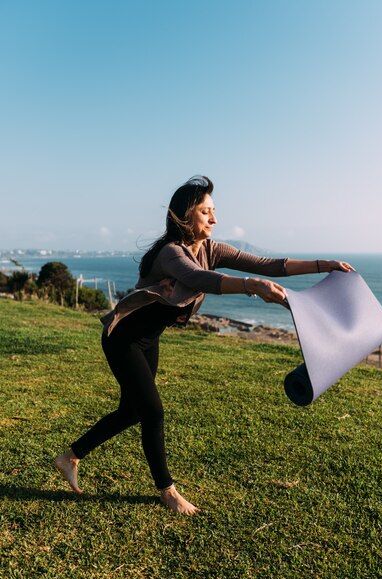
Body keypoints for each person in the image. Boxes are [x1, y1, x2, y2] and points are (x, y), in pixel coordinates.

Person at [55, 175, 353, 515]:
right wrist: (253, 286)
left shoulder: (212, 249)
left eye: (214, 211)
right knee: (152, 411)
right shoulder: (170, 253)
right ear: (185, 215)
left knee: (132, 411)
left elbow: (267, 264)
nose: (214, 219)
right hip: (122, 339)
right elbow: (201, 279)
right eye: (206, 211)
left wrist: (323, 265)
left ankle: (69, 457)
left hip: (147, 340)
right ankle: (167, 492)